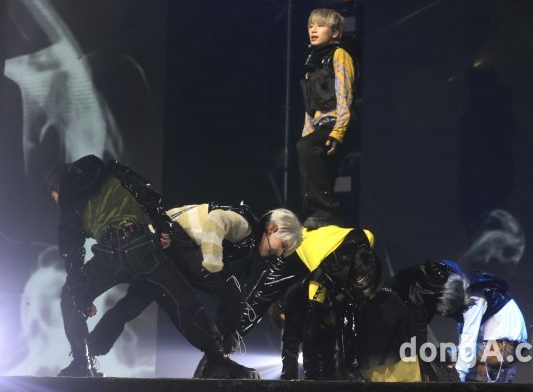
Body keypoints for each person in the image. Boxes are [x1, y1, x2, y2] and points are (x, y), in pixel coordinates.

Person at [45, 155, 258, 378]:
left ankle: (82, 362)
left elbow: (71, 247)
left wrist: (79, 292)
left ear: (60, 186)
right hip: (142, 246)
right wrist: (163, 226)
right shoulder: (113, 171)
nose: (56, 201)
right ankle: (219, 359)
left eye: (54, 196)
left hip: (109, 254)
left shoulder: (69, 197)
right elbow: (147, 193)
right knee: (182, 302)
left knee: (70, 297)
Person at [85, 202, 303, 373]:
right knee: (233, 295)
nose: (280, 254)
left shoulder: (250, 236)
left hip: (157, 242)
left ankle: (88, 351)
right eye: (283, 246)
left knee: (133, 304)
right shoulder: (246, 225)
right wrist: (212, 263)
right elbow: (216, 219)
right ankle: (216, 361)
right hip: (173, 237)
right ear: (272, 228)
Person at [219, 225, 381, 380]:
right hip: (295, 251)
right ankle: (219, 352)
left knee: (350, 309)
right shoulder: (326, 273)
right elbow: (313, 327)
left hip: (322, 257)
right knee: (260, 300)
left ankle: (349, 368)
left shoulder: (368, 238)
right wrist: (313, 376)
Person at [389, 261, 527, 383]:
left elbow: (468, 342)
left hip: (505, 347)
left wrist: (457, 380)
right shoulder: (465, 295)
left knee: (445, 357)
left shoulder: (475, 299)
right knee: (442, 356)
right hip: (496, 344)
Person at [297, 8, 356, 229]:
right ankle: (321, 215)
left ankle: (324, 209)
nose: (313, 29)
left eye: (320, 25)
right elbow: (309, 104)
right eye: (311, 25)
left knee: (306, 147)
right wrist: (308, 132)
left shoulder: (339, 54)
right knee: (310, 155)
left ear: (335, 32)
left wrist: (338, 132)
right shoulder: (311, 62)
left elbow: (344, 94)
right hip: (321, 125)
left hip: (340, 122)